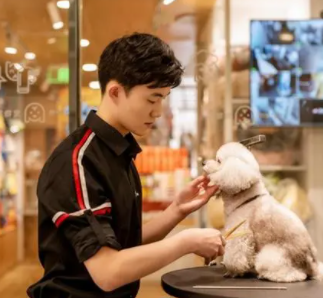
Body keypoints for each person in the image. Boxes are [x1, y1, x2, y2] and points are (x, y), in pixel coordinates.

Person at [27, 33, 225, 298]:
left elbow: (121, 245)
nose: (158, 111)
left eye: (163, 99)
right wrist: (186, 242)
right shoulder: (78, 161)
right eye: (152, 99)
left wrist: (177, 210)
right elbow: (109, 272)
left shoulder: (120, 152)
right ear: (115, 92)